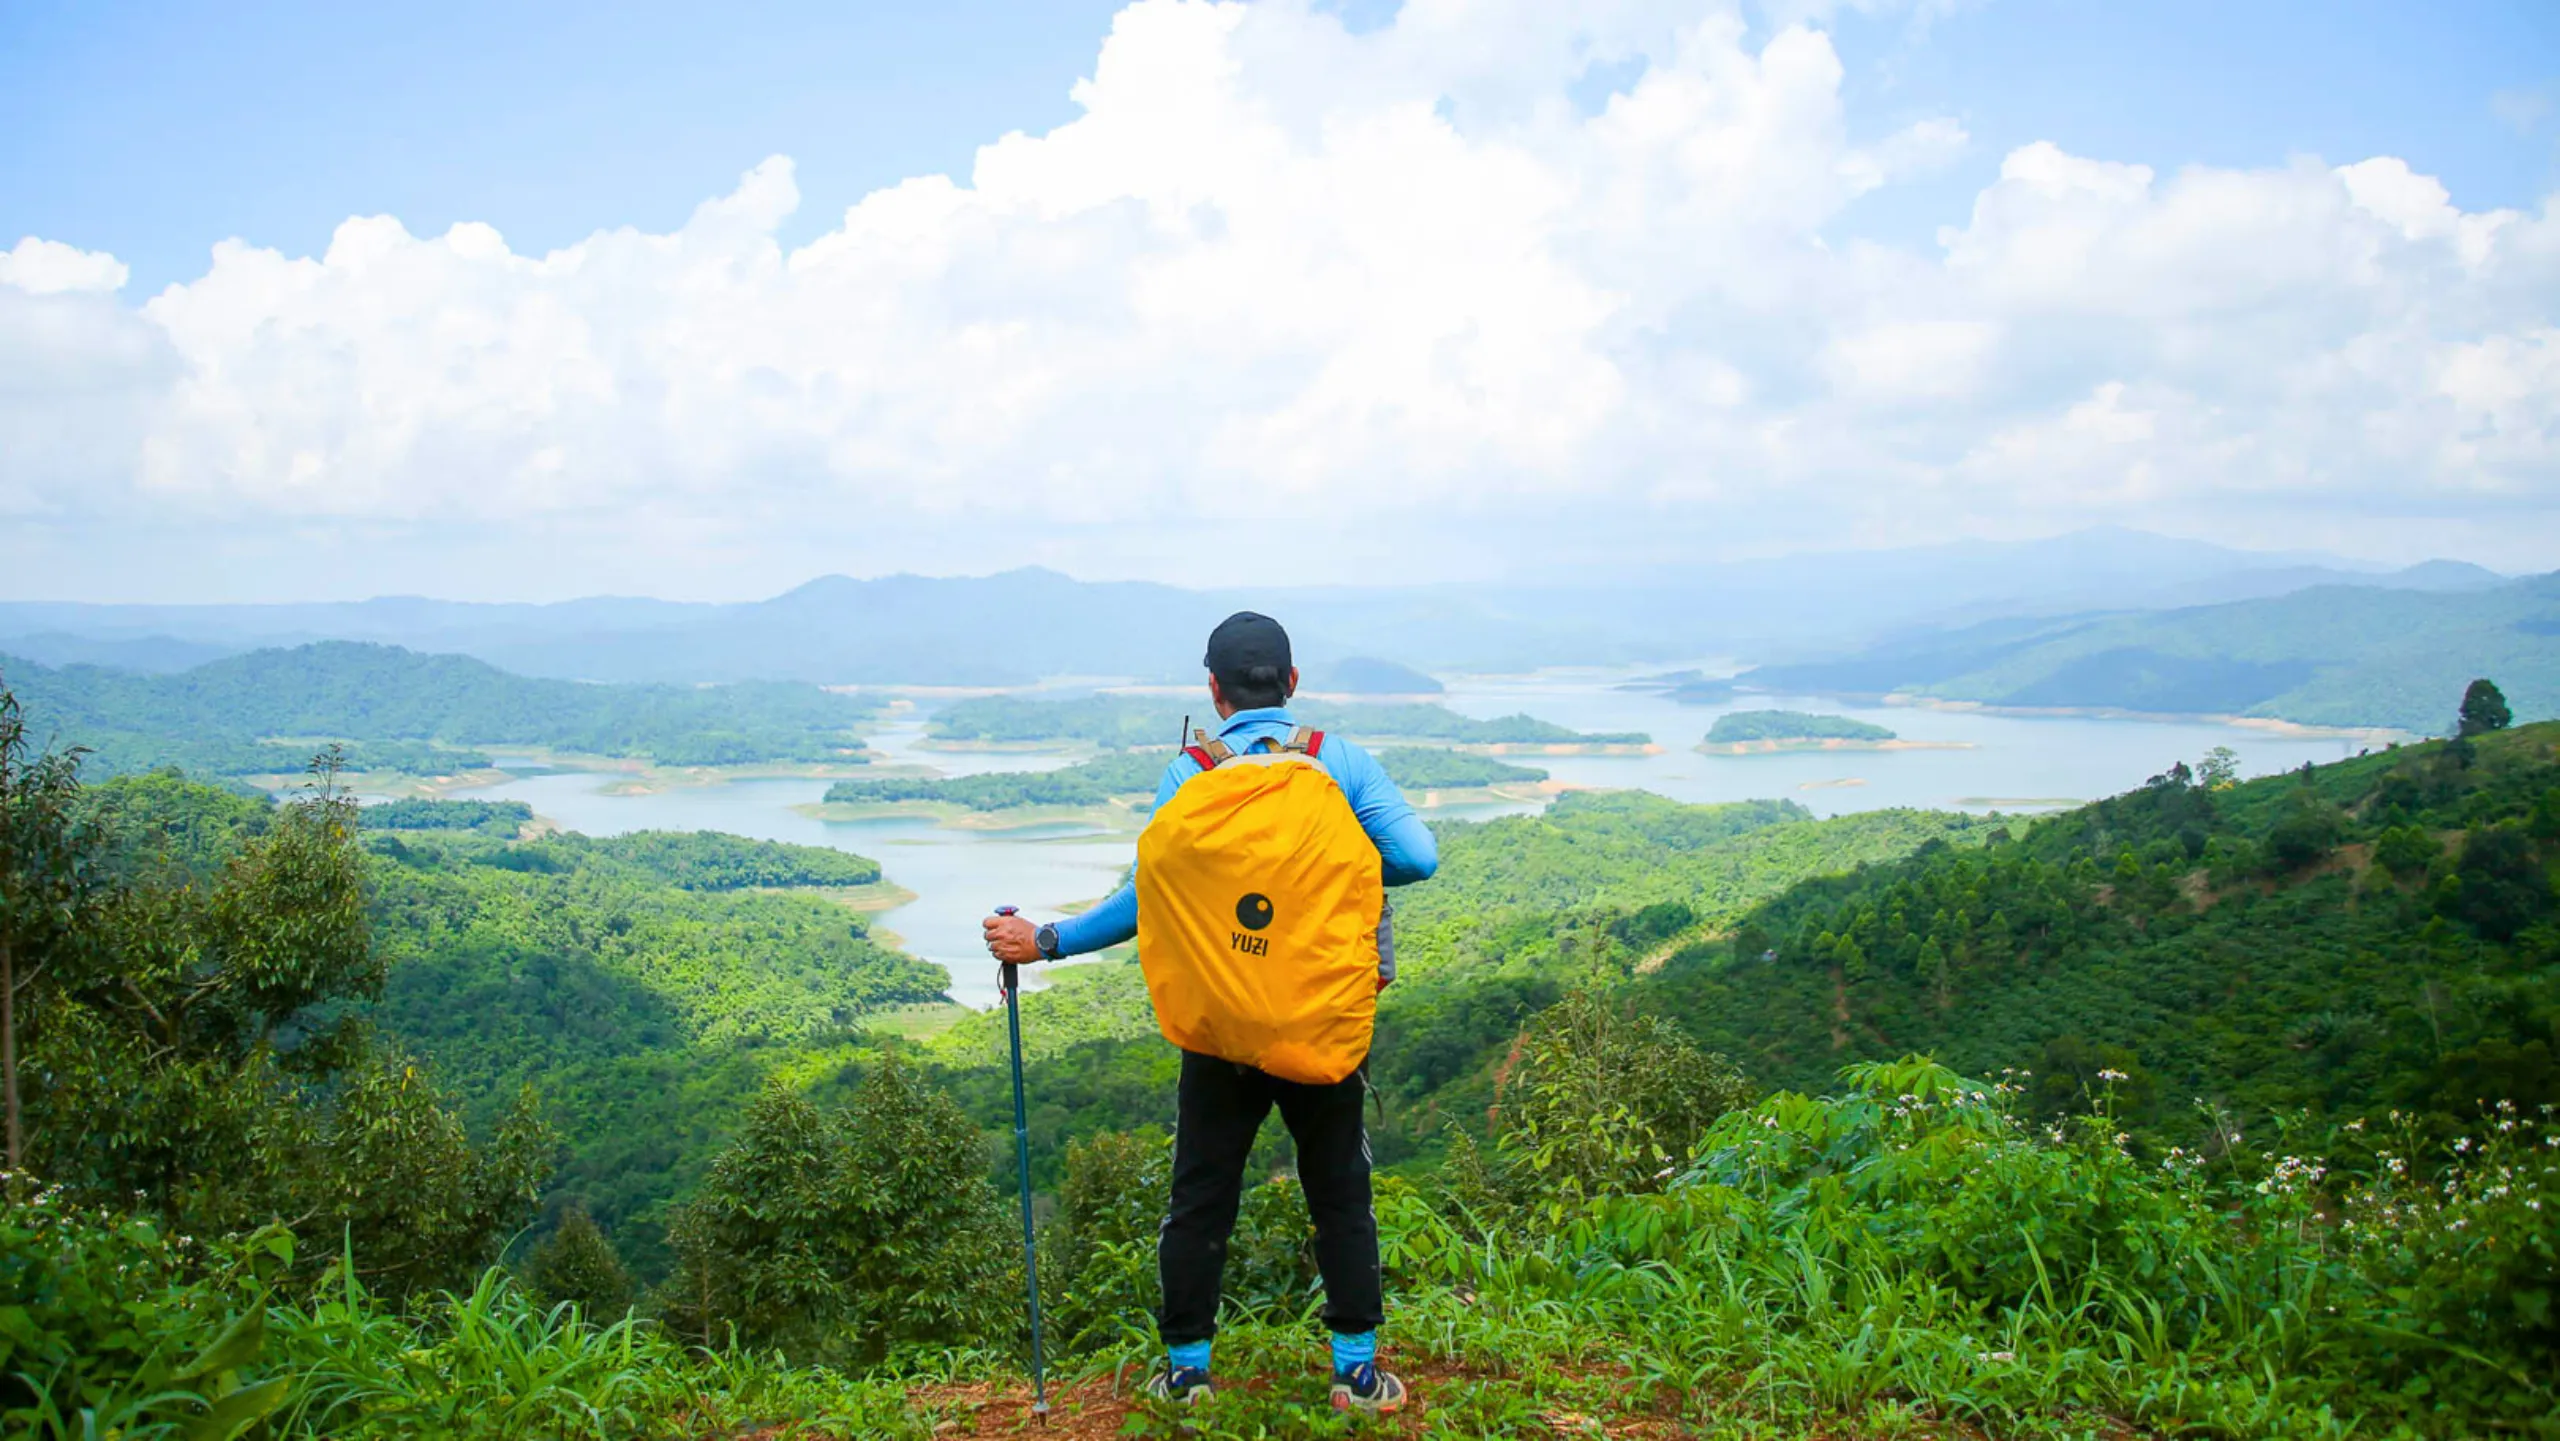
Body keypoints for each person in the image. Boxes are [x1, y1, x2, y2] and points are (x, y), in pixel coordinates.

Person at [983, 611, 1438, 1414]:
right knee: (1339, 1193)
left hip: (1223, 1023)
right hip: (1319, 1019)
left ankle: (1188, 1375)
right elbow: (1417, 857)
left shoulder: (1189, 774)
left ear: (1215, 690)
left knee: (1200, 1197)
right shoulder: (1342, 765)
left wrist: (1045, 939)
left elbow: (1142, 897)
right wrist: (1325, 872)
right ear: (1292, 685)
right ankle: (1358, 1375)